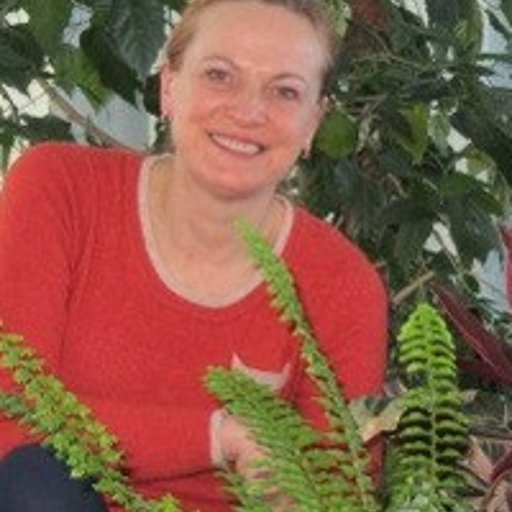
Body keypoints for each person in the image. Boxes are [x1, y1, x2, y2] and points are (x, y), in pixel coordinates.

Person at [0, 0, 388, 510]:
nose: (248, 111)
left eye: (285, 91)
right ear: (169, 86)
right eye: (220, 75)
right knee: (33, 482)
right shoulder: (61, 190)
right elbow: (11, 412)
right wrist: (220, 436)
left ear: (313, 122)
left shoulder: (342, 285)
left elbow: (339, 489)